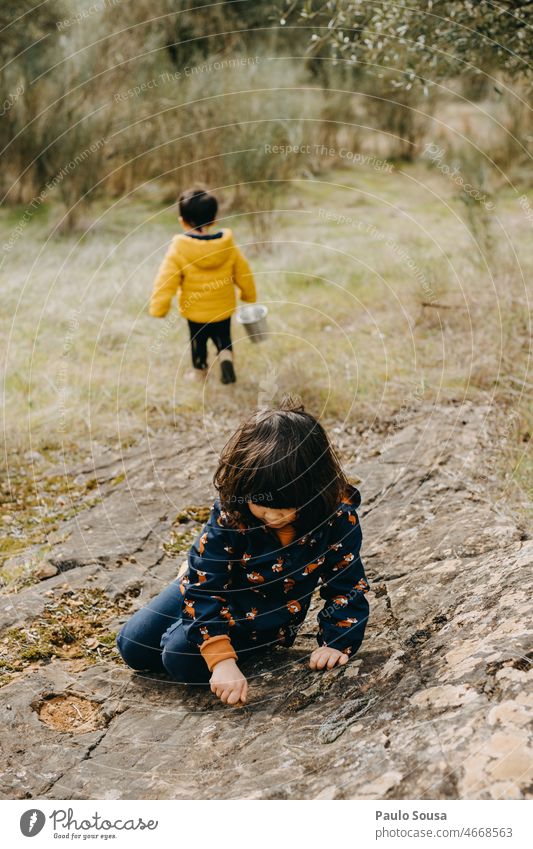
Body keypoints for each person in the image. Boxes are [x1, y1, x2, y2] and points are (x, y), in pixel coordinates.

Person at [117, 399, 370, 705]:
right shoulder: (233, 510)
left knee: (178, 658)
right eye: (264, 510)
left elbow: (346, 582)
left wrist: (337, 641)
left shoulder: (336, 517)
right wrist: (222, 661)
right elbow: (205, 581)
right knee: (132, 646)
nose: (274, 518)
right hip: (212, 587)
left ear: (314, 490)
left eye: (286, 510)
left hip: (264, 612)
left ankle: (219, 639)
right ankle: (198, 624)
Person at [149, 188, 256, 384]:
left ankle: (200, 372)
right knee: (224, 339)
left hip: (196, 312)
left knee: (198, 343)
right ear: (214, 219)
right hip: (222, 309)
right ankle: (226, 360)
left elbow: (166, 279)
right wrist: (248, 294)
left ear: (182, 220)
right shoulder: (227, 245)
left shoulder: (180, 248)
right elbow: (244, 271)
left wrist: (159, 307)